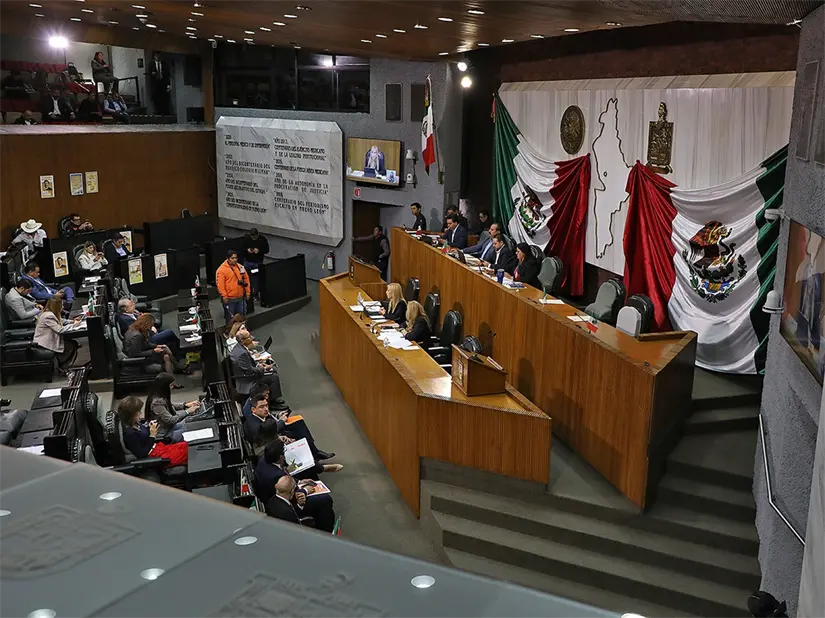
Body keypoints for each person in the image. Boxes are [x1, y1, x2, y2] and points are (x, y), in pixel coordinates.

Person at [259, 440, 339, 531]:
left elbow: (285, 482)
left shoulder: (264, 460)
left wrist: (299, 482)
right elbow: (287, 491)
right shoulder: (275, 476)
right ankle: (326, 530)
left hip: (278, 497)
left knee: (307, 474)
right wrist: (305, 491)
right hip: (286, 502)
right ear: (281, 457)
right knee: (325, 499)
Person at [118, 396, 188, 467]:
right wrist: (152, 435)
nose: (140, 413)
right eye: (138, 412)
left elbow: (144, 434)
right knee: (188, 452)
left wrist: (150, 426)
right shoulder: (130, 434)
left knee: (188, 445)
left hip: (159, 447)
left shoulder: (135, 423)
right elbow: (142, 454)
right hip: (155, 455)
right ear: (131, 416)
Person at [124, 314, 188, 379]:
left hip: (142, 353)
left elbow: (146, 344)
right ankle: (175, 373)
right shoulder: (137, 335)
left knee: (165, 349)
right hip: (138, 360)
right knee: (166, 356)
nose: (150, 328)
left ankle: (174, 376)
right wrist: (154, 351)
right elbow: (136, 353)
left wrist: (157, 346)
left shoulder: (134, 329)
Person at [145, 373, 200, 442]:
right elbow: (171, 420)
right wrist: (187, 411)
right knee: (186, 432)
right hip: (163, 434)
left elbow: (169, 405)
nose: (172, 387)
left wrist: (185, 405)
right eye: (171, 385)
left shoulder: (158, 396)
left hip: (167, 428)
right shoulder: (157, 402)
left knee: (188, 425)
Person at [33, 296, 81, 372]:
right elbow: (59, 330)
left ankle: (64, 365)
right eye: (61, 305)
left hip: (49, 340)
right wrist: (74, 325)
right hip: (45, 343)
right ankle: (63, 366)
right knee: (71, 344)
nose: (63, 307)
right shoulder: (48, 316)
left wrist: (72, 321)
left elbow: (60, 320)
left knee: (71, 343)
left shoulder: (48, 312)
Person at [230, 332, 283, 400]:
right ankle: (274, 402)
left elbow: (249, 365)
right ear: (242, 340)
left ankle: (273, 398)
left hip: (248, 374)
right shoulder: (242, 354)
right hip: (247, 380)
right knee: (274, 377)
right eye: (249, 337)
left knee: (273, 370)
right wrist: (263, 368)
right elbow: (250, 371)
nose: (251, 338)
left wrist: (258, 364)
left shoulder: (239, 348)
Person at [216, 250, 251, 323]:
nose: (235, 260)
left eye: (236, 258)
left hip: (241, 298)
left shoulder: (240, 267)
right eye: (232, 258)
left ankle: (241, 332)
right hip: (229, 299)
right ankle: (230, 333)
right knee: (230, 318)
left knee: (242, 316)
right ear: (227, 258)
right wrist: (224, 296)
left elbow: (246, 280)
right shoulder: (221, 270)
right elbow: (220, 285)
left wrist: (248, 292)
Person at [242, 228, 269, 296]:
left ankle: (255, 292)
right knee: (245, 276)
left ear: (257, 235)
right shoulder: (246, 239)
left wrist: (259, 250)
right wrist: (247, 250)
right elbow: (241, 248)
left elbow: (267, 250)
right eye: (252, 237)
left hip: (257, 262)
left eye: (255, 237)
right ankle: (246, 291)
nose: (253, 239)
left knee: (256, 278)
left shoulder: (262, 239)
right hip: (247, 261)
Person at [148, 51, 171, 115]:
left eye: (159, 56)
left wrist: (168, 85)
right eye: (156, 56)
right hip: (155, 85)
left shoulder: (164, 64)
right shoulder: (151, 65)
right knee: (156, 99)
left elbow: (168, 75)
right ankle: (158, 112)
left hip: (163, 83)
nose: (157, 57)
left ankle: (165, 112)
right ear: (154, 57)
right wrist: (153, 74)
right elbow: (149, 75)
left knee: (164, 98)